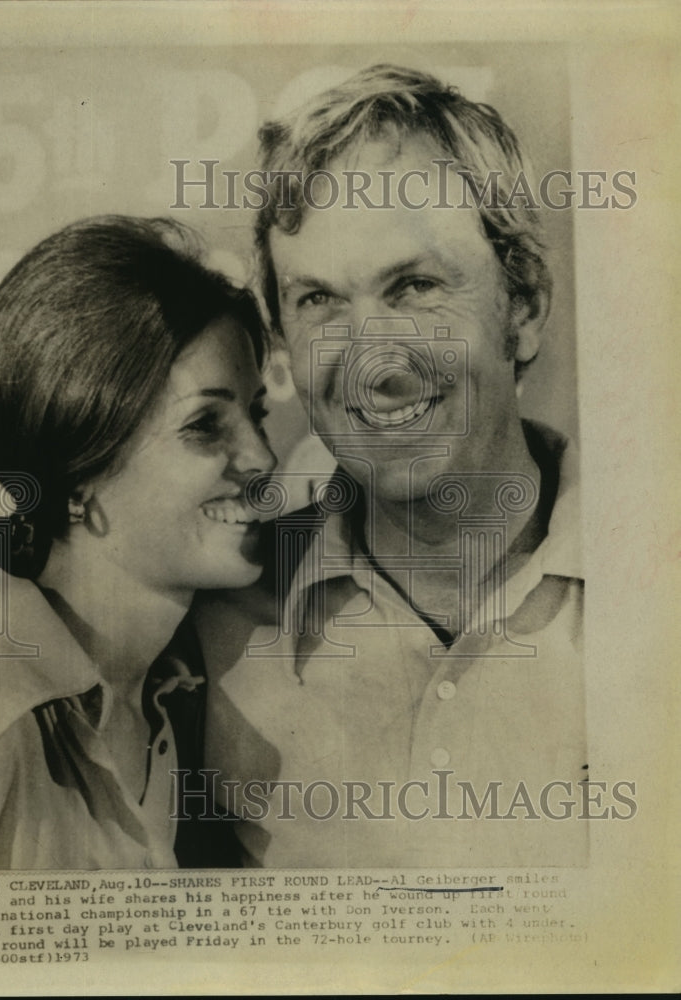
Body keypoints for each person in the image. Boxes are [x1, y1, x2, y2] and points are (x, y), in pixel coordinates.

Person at [191, 65, 587, 867]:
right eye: (320, 301)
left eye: (414, 286)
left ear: (525, 309)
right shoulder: (206, 626)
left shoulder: (657, 600)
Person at [0, 215, 276, 870]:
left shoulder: (179, 700)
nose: (261, 457)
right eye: (204, 425)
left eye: (256, 415)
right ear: (80, 470)